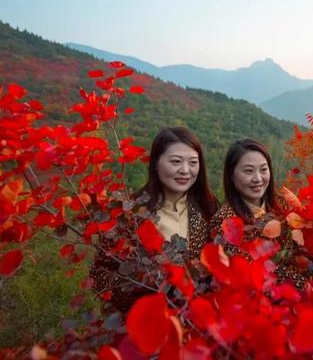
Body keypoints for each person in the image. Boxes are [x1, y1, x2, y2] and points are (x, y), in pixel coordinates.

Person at [90, 127, 218, 313]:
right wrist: (142, 288)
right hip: (148, 323)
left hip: (197, 324)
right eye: (176, 162)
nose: (185, 170)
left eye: (193, 162)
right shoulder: (129, 214)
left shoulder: (208, 206)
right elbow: (100, 275)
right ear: (156, 163)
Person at [210, 139, 306, 288]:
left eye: (263, 169)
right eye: (248, 171)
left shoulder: (283, 205)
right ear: (231, 175)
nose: (258, 178)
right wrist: (303, 283)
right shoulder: (225, 222)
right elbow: (250, 274)